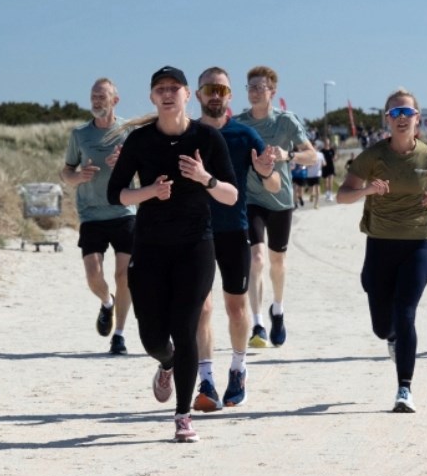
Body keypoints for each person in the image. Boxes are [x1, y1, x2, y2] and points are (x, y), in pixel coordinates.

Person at [107, 66, 238, 442]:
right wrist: (150, 191)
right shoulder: (140, 141)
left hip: (195, 246)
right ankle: (166, 363)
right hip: (150, 246)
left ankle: (182, 415)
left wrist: (204, 178)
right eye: (160, 89)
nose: (167, 94)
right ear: (152, 96)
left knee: (185, 328)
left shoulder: (207, 138)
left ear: (187, 95)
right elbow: (116, 194)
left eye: (174, 88)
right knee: (152, 337)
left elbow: (231, 195)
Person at [336, 88, 427, 413]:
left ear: (418, 118)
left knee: (405, 313)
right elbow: (342, 195)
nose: (401, 118)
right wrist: (366, 190)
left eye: (407, 113)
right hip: (379, 246)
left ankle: (404, 388)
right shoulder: (373, 156)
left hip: (417, 245)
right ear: (387, 119)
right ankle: (392, 339)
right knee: (382, 327)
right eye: (395, 113)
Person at [190, 68, 280, 412]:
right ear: (198, 94)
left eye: (222, 90)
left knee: (236, 308)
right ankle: (206, 380)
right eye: (210, 89)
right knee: (202, 307)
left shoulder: (244, 135)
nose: (216, 95)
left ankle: (239, 369)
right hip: (195, 232)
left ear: (230, 96)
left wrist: (266, 171)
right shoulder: (187, 134)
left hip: (232, 229)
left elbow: (274, 185)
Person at [236, 66, 319, 348]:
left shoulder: (286, 121)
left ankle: (278, 310)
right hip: (251, 199)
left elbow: (312, 156)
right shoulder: (239, 123)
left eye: (260, 87)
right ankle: (258, 324)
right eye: (250, 87)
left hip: (281, 200)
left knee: (277, 262)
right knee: (256, 259)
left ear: (272, 91)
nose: (254, 92)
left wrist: (288, 154)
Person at [60, 78, 135, 355]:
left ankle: (119, 335)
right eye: (93, 96)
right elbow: (66, 172)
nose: (96, 101)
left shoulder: (128, 131)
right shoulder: (80, 134)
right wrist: (78, 176)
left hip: (124, 211)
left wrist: (124, 164)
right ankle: (107, 303)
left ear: (115, 100)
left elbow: (143, 170)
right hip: (91, 214)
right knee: (93, 275)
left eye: (102, 96)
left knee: (123, 275)